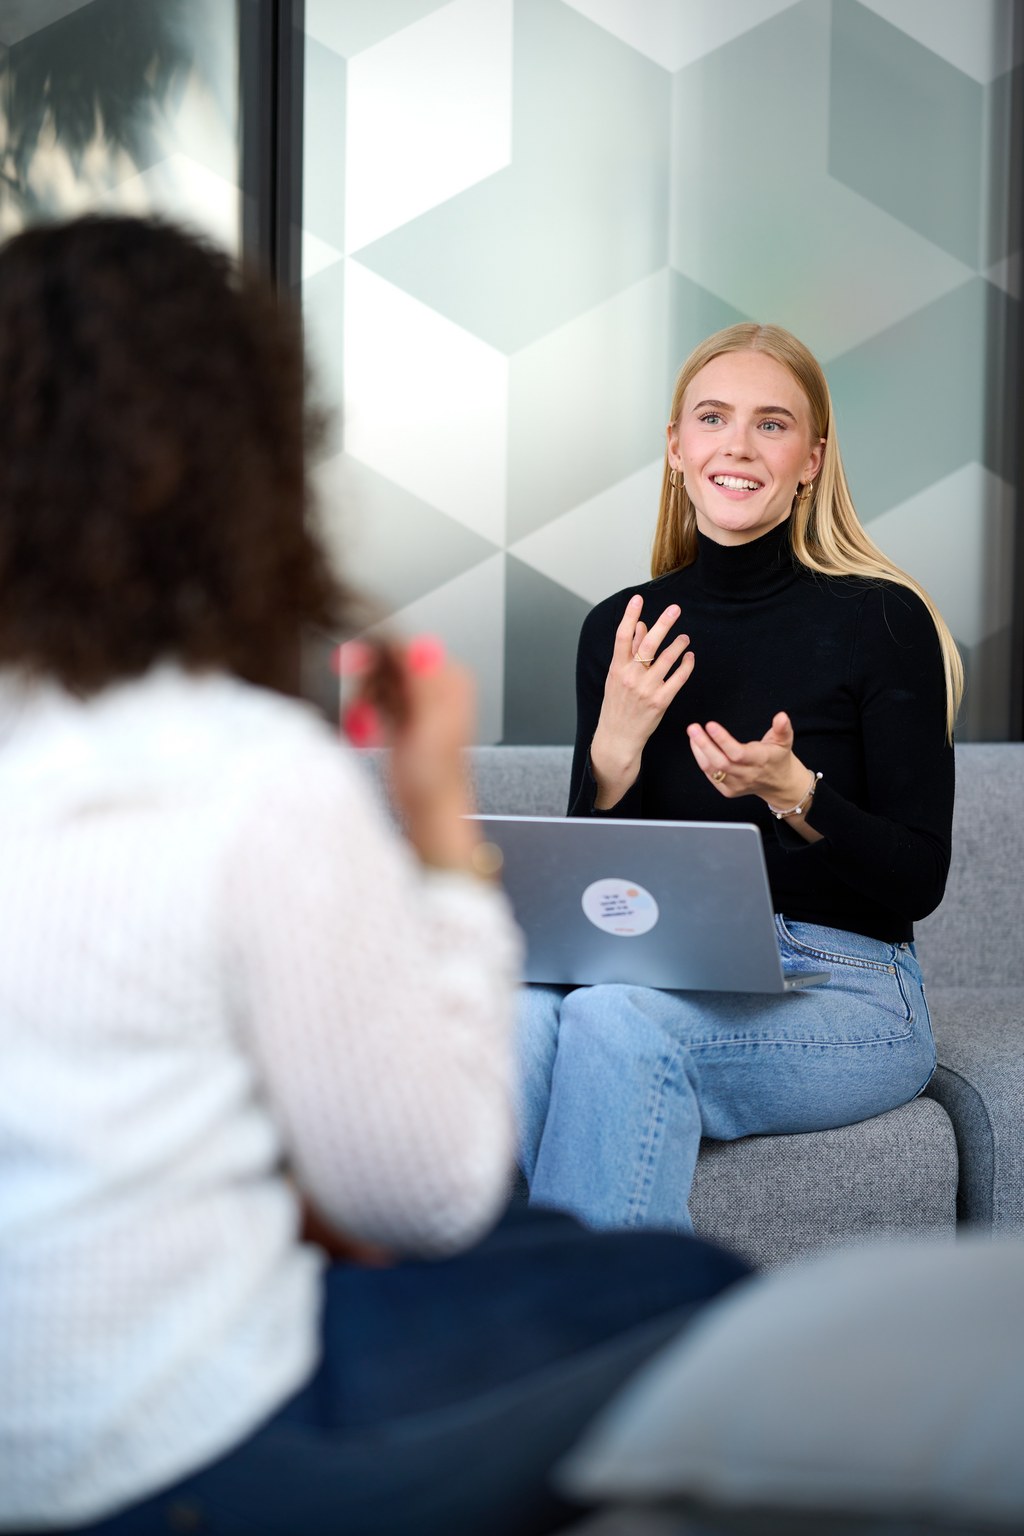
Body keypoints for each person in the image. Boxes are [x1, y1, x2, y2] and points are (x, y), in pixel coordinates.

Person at [0, 216, 750, 1536]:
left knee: (550, 1243)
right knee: (704, 1292)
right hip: (164, 1446)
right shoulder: (254, 774)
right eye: (712, 421)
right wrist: (448, 834)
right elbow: (428, 1189)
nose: (736, 451)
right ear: (247, 468)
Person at [518, 322, 962, 1235]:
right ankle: (492, 1323)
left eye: (772, 424)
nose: (738, 445)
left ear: (811, 459)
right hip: (669, 969)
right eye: (713, 418)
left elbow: (919, 878)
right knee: (521, 1015)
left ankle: (582, 1345)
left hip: (850, 988)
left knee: (616, 1025)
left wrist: (798, 794)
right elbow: (593, 904)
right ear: (677, 449)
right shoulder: (622, 628)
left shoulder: (884, 619)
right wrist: (616, 750)